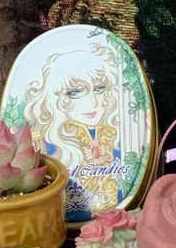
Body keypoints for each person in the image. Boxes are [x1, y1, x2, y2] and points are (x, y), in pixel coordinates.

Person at [23, 45, 123, 220]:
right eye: (75, 93)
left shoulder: (116, 137)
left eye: (99, 89)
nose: (92, 102)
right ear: (54, 98)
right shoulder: (44, 144)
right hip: (56, 225)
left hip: (117, 219)